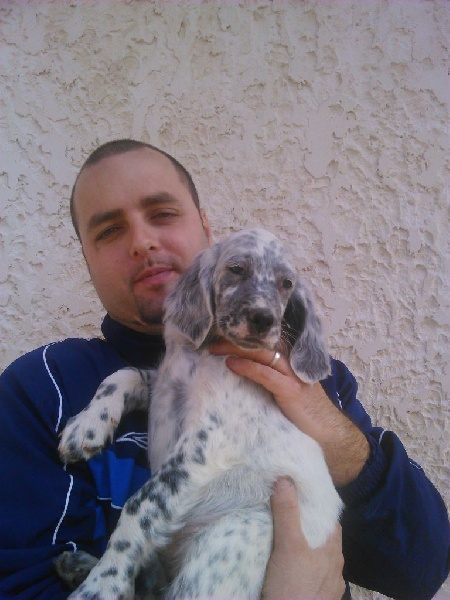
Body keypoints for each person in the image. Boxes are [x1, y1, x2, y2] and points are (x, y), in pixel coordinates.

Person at [0, 139, 448, 599]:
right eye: (110, 230)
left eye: (162, 213)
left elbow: (422, 570)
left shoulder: (317, 382)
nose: (142, 242)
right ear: (86, 258)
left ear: (205, 227)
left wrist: (330, 431)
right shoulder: (42, 388)